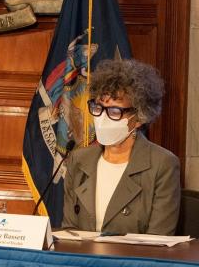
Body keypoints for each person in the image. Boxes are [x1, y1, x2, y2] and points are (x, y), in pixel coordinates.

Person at [60, 59, 180, 235]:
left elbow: (158, 242)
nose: (102, 118)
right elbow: (69, 233)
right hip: (84, 260)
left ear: (139, 117)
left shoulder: (162, 164)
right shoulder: (78, 160)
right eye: (98, 107)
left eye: (115, 111)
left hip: (133, 261)